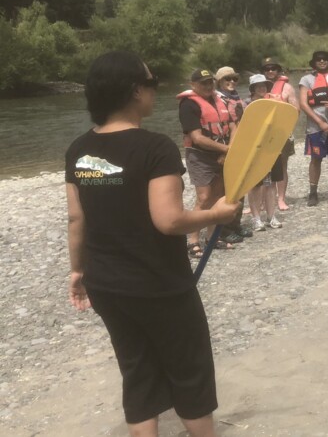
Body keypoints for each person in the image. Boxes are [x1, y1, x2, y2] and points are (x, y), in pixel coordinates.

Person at [66, 51, 239, 437]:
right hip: (157, 283)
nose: (154, 91)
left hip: (105, 283)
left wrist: (77, 271)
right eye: (152, 82)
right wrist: (216, 213)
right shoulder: (155, 147)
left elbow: (77, 219)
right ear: (134, 91)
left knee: (137, 370)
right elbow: (169, 220)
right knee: (189, 370)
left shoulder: (78, 149)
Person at [177, 68, 237, 257]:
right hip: (200, 156)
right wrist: (225, 150)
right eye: (203, 83)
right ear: (193, 85)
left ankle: (212, 238)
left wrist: (229, 150)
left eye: (210, 82)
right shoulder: (188, 105)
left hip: (223, 153)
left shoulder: (221, 100)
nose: (208, 86)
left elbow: (233, 126)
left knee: (218, 195)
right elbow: (197, 138)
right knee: (204, 198)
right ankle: (193, 241)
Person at [298, 50, 328, 206]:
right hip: (315, 127)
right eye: (318, 59)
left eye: (325, 59)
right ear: (314, 62)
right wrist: (320, 122)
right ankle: (313, 193)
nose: (322, 61)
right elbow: (303, 104)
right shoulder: (306, 80)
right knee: (316, 159)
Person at [213, 66, 251, 242]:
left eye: (234, 78)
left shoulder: (237, 98)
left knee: (240, 186)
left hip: (241, 146)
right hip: (226, 147)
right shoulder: (216, 99)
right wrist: (226, 151)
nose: (232, 82)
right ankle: (224, 229)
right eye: (227, 79)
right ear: (219, 81)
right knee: (227, 189)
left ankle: (236, 223)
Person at [261, 57, 298, 211]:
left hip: (282, 133)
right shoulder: (259, 87)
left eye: (273, 68)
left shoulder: (287, 88)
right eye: (267, 69)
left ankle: (281, 198)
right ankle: (262, 201)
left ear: (278, 70)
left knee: (282, 166)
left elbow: (296, 110)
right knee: (262, 168)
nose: (270, 71)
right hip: (263, 135)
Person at [245, 75, 281, 231]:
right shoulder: (246, 105)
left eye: (264, 85)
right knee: (255, 184)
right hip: (254, 149)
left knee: (271, 183)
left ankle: (271, 216)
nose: (262, 88)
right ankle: (256, 218)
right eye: (258, 85)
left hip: (271, 147)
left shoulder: (273, 103)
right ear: (252, 88)